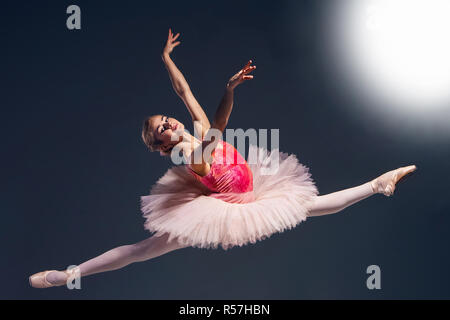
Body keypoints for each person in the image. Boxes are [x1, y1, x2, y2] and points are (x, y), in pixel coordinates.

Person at [29, 29, 416, 288]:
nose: (168, 123)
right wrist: (226, 99)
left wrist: (168, 59)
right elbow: (215, 130)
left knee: (310, 205)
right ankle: (70, 275)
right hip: (223, 205)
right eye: (160, 128)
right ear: (161, 142)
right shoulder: (186, 151)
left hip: (252, 188)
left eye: (165, 118)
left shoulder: (193, 127)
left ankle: (378, 183)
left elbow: (184, 92)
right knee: (142, 251)